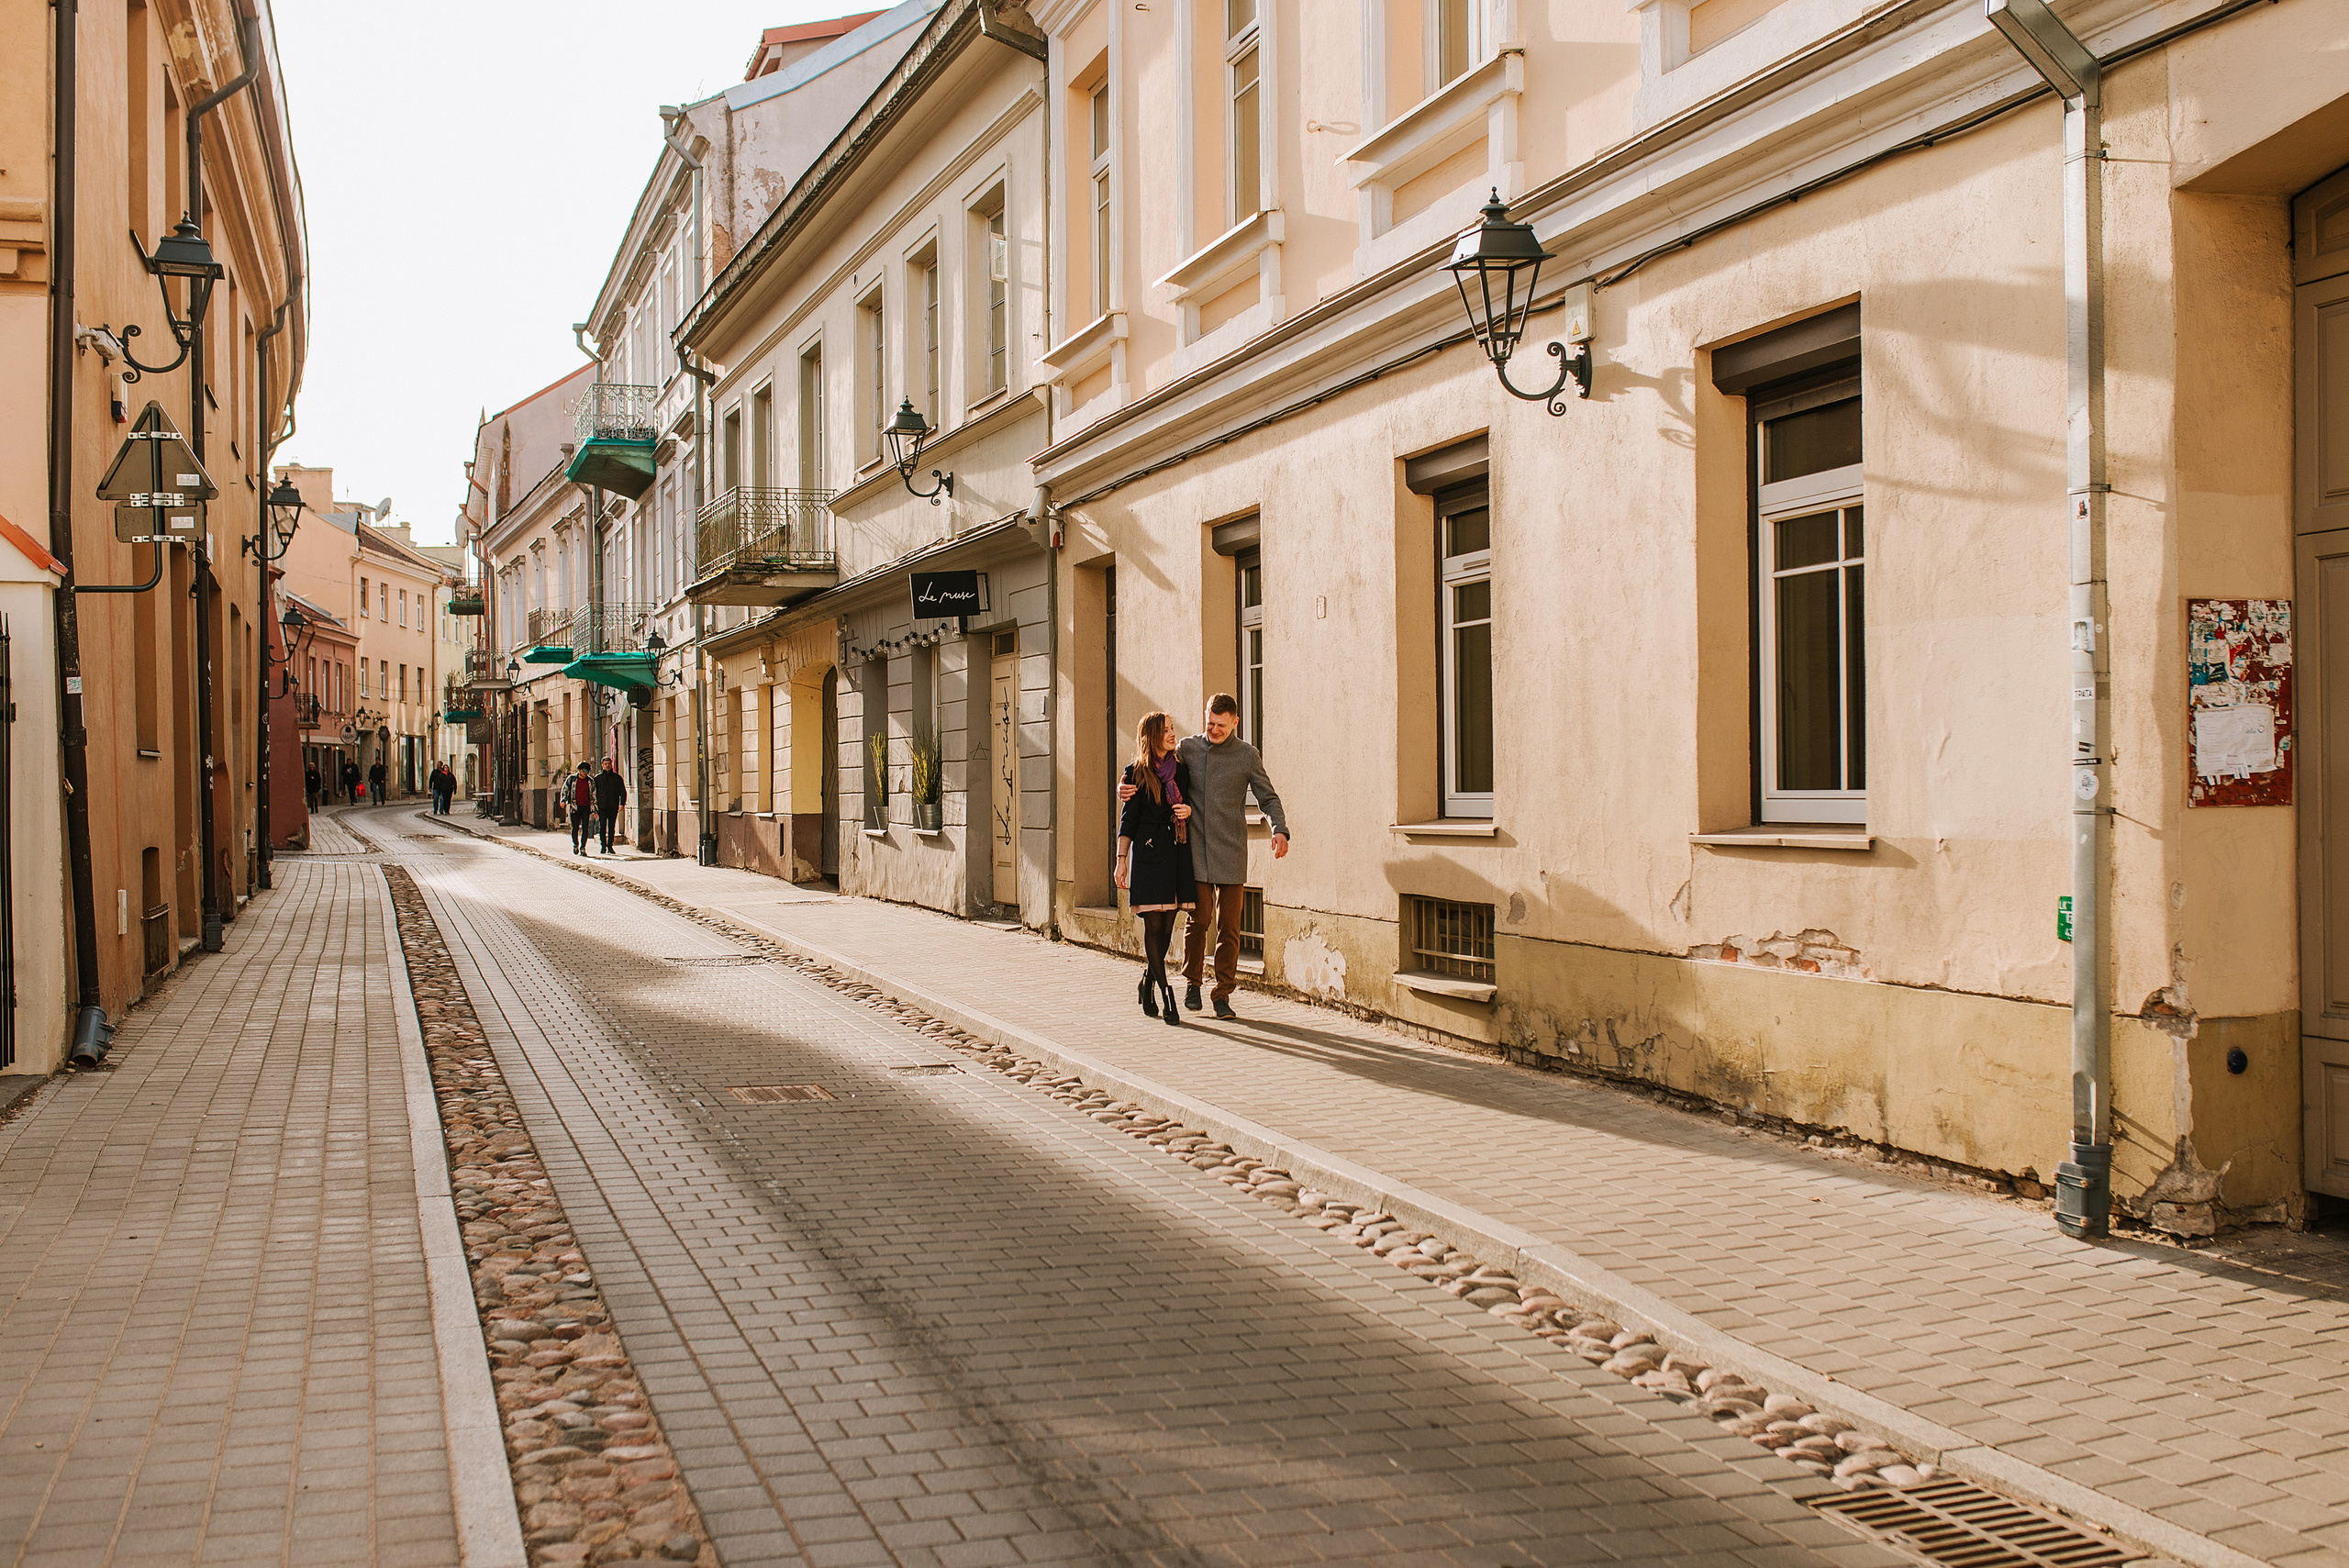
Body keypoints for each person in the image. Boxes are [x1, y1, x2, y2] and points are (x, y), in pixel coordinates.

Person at [1120, 693, 1289, 1019]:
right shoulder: (1187, 748)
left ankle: (1223, 992)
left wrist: (1278, 828)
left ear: (1235, 723)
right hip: (1193, 851)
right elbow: (1152, 767)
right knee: (1198, 921)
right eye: (1209, 722)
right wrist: (1122, 787)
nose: (1213, 729)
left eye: (1221, 725)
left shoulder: (1247, 755)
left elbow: (1268, 797)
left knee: (1229, 928)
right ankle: (1192, 982)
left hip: (1231, 852)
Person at [1115, 712, 1195, 1027]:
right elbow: (1128, 821)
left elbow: (1194, 804)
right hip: (1148, 859)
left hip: (1176, 856)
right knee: (1154, 927)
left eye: (1173, 728)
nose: (1173, 734)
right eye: (1166, 730)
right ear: (1151, 736)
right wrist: (1121, 860)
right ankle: (1166, 992)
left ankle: (1147, 981)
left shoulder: (1183, 771)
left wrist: (1188, 809)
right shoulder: (1135, 773)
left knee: (1166, 929)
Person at [593, 757, 627, 854]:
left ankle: (610, 846)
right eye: (605, 764)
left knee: (612, 827)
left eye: (609, 764)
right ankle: (603, 846)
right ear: (602, 765)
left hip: (613, 806)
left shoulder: (617, 778)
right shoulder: (597, 779)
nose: (607, 765)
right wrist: (594, 807)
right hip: (602, 806)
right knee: (602, 826)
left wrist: (622, 803)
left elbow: (622, 791)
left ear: (611, 765)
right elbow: (593, 793)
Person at [566, 762, 596, 855]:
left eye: (587, 771)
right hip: (575, 807)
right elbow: (565, 790)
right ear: (579, 770)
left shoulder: (590, 781)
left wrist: (595, 809)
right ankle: (575, 844)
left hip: (586, 807)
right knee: (575, 827)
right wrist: (563, 800)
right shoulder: (572, 779)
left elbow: (594, 795)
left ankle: (583, 847)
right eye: (583, 770)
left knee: (585, 828)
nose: (585, 773)